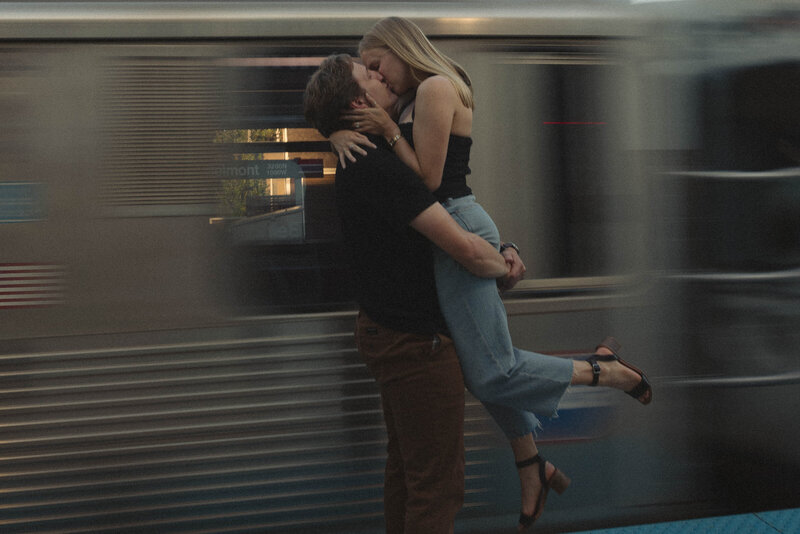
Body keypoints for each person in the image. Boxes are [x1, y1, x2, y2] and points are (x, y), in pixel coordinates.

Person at [328, 16, 653, 532]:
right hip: (448, 225)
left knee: (492, 370)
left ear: (399, 48)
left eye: (376, 64)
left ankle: (600, 369)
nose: (377, 76)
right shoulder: (413, 95)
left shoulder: (435, 86)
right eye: (368, 72)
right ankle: (531, 466)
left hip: (453, 220)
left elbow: (430, 181)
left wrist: (389, 132)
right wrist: (345, 128)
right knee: (485, 366)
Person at [304, 53, 525, 534]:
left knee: (407, 472)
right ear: (361, 101)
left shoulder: (360, 154)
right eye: (370, 75)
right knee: (437, 486)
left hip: (389, 332)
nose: (381, 74)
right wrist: (502, 263)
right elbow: (459, 245)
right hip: (415, 344)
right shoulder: (378, 167)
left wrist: (334, 130)